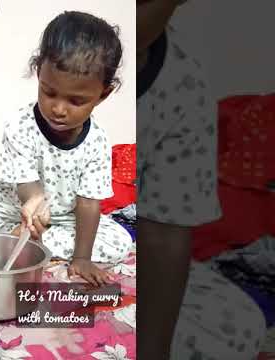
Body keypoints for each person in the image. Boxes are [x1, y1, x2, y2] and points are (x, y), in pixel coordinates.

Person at [0, 11, 132, 287]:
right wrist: (34, 203)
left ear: (103, 94)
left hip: (67, 218)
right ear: (38, 71)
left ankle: (26, 239)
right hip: (15, 206)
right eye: (49, 92)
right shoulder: (20, 125)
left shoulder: (97, 142)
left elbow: (89, 204)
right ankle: (20, 234)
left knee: (117, 243)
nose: (58, 109)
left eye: (76, 101)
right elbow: (26, 184)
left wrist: (82, 257)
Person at [136, 1, 266, 359]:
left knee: (238, 326)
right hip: (27, 234)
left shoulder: (182, 86)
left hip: (116, 255)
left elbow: (164, 236)